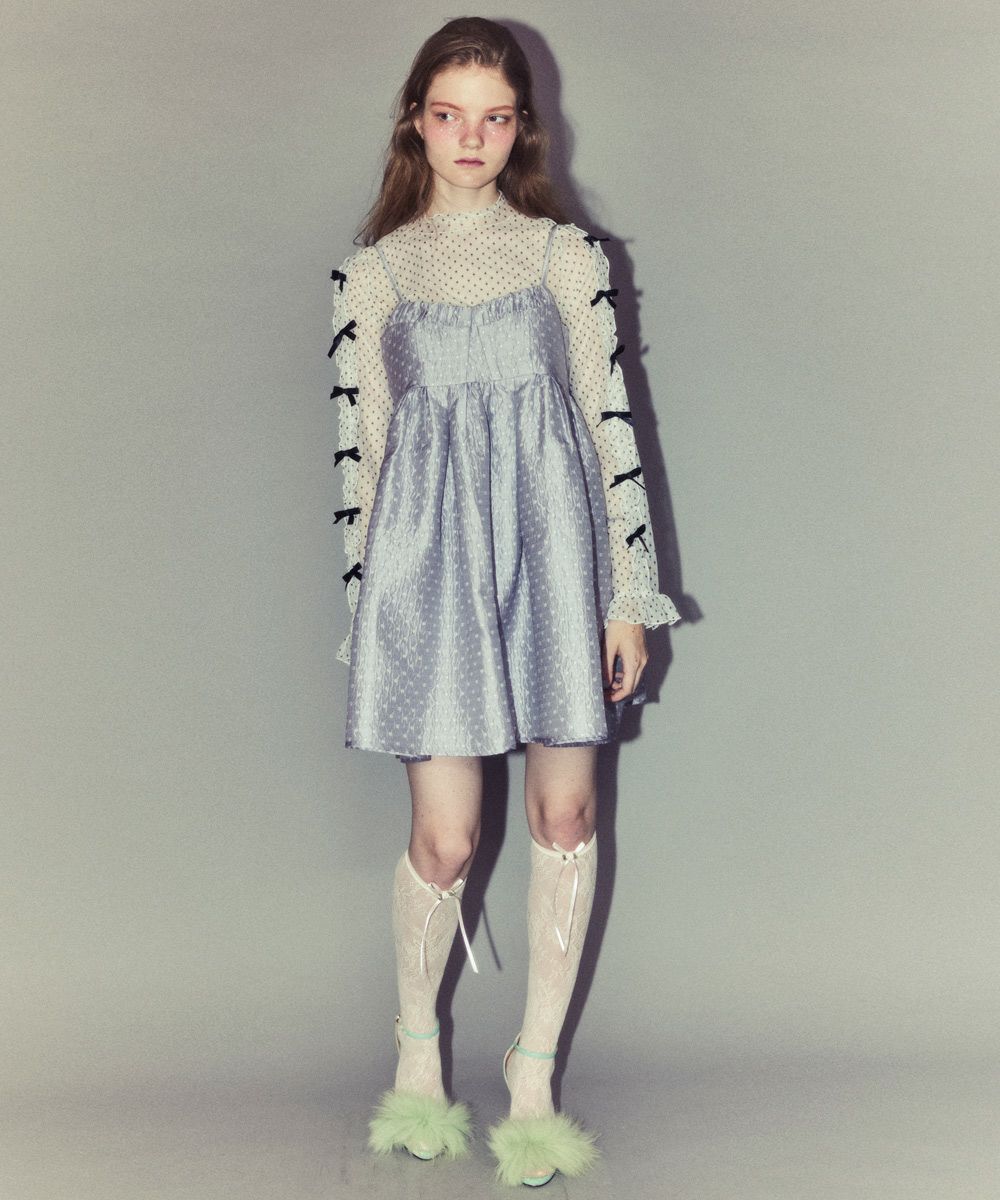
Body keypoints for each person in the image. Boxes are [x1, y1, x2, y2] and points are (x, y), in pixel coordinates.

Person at [328, 16, 681, 1188]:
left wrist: (626, 597)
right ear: (415, 122)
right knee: (446, 838)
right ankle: (418, 1058)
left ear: (521, 127)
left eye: (493, 116)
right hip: (427, 574)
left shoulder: (565, 258)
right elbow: (362, 464)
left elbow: (609, 429)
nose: (470, 137)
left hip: (557, 564)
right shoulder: (371, 276)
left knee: (563, 820)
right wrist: (369, 611)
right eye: (449, 113)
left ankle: (532, 1078)